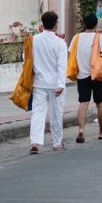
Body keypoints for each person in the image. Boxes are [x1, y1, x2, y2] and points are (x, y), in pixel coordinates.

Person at [69, 13, 102, 143]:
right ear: (95, 24)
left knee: (83, 102)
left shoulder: (76, 38)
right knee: (100, 103)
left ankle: (81, 130)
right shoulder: (99, 37)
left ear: (84, 23)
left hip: (82, 75)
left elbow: (71, 54)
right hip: (97, 75)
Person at [30, 11, 68, 154]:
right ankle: (57, 142)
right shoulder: (60, 43)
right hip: (54, 84)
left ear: (43, 24)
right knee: (56, 113)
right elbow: (61, 65)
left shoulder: (34, 40)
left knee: (38, 113)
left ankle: (35, 142)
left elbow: (27, 59)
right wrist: (61, 84)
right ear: (55, 25)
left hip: (39, 82)